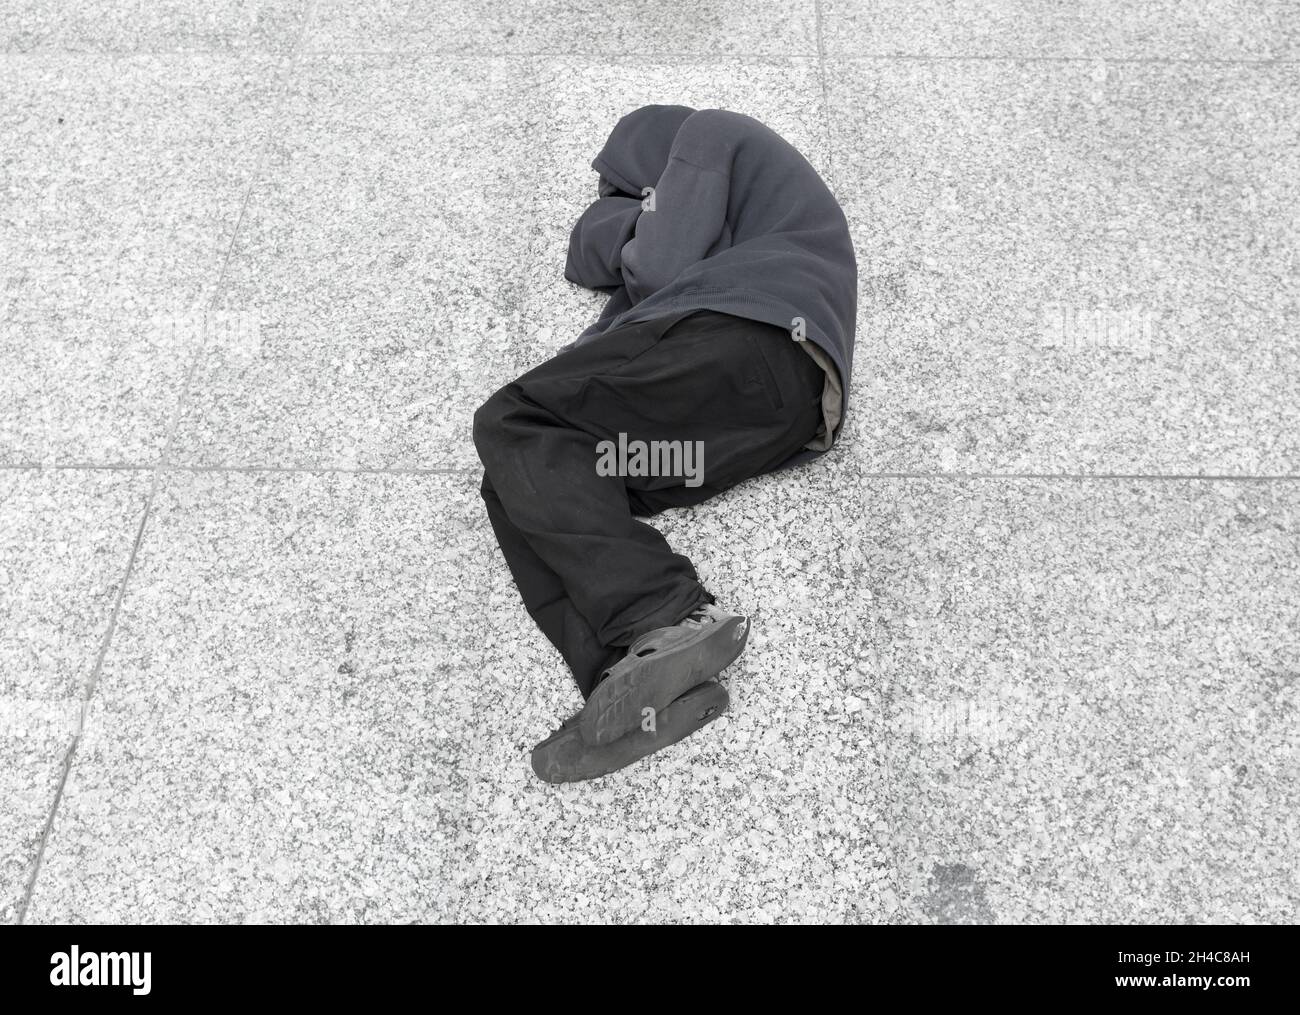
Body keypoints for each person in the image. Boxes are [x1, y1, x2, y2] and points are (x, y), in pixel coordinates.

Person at [473, 105, 857, 782]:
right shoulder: (745, 226)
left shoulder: (709, 134)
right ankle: (628, 675)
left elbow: (650, 267)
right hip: (768, 415)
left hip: (754, 338)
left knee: (513, 419)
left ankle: (670, 609)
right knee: (521, 477)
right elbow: (597, 268)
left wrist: (631, 222)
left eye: (622, 191)